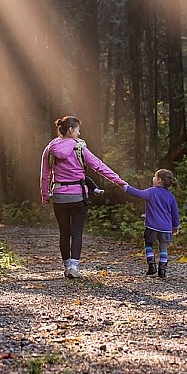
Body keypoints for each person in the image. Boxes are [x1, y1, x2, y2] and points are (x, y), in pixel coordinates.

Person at [40, 115, 127, 278]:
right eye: (78, 130)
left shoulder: (50, 148)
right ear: (71, 130)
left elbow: (45, 175)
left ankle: (66, 267)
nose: (79, 133)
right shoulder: (79, 148)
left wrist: (45, 195)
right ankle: (74, 267)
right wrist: (119, 182)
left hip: (59, 196)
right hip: (78, 196)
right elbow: (99, 166)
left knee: (64, 232)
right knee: (77, 232)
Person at [123, 169, 180, 278]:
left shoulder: (152, 191)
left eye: (155, 176)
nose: (153, 178)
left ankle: (152, 265)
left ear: (159, 180)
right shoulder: (171, 196)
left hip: (152, 226)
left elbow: (138, 193)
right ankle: (162, 270)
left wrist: (126, 187)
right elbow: (175, 214)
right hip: (166, 228)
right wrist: (175, 226)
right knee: (164, 248)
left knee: (148, 244)